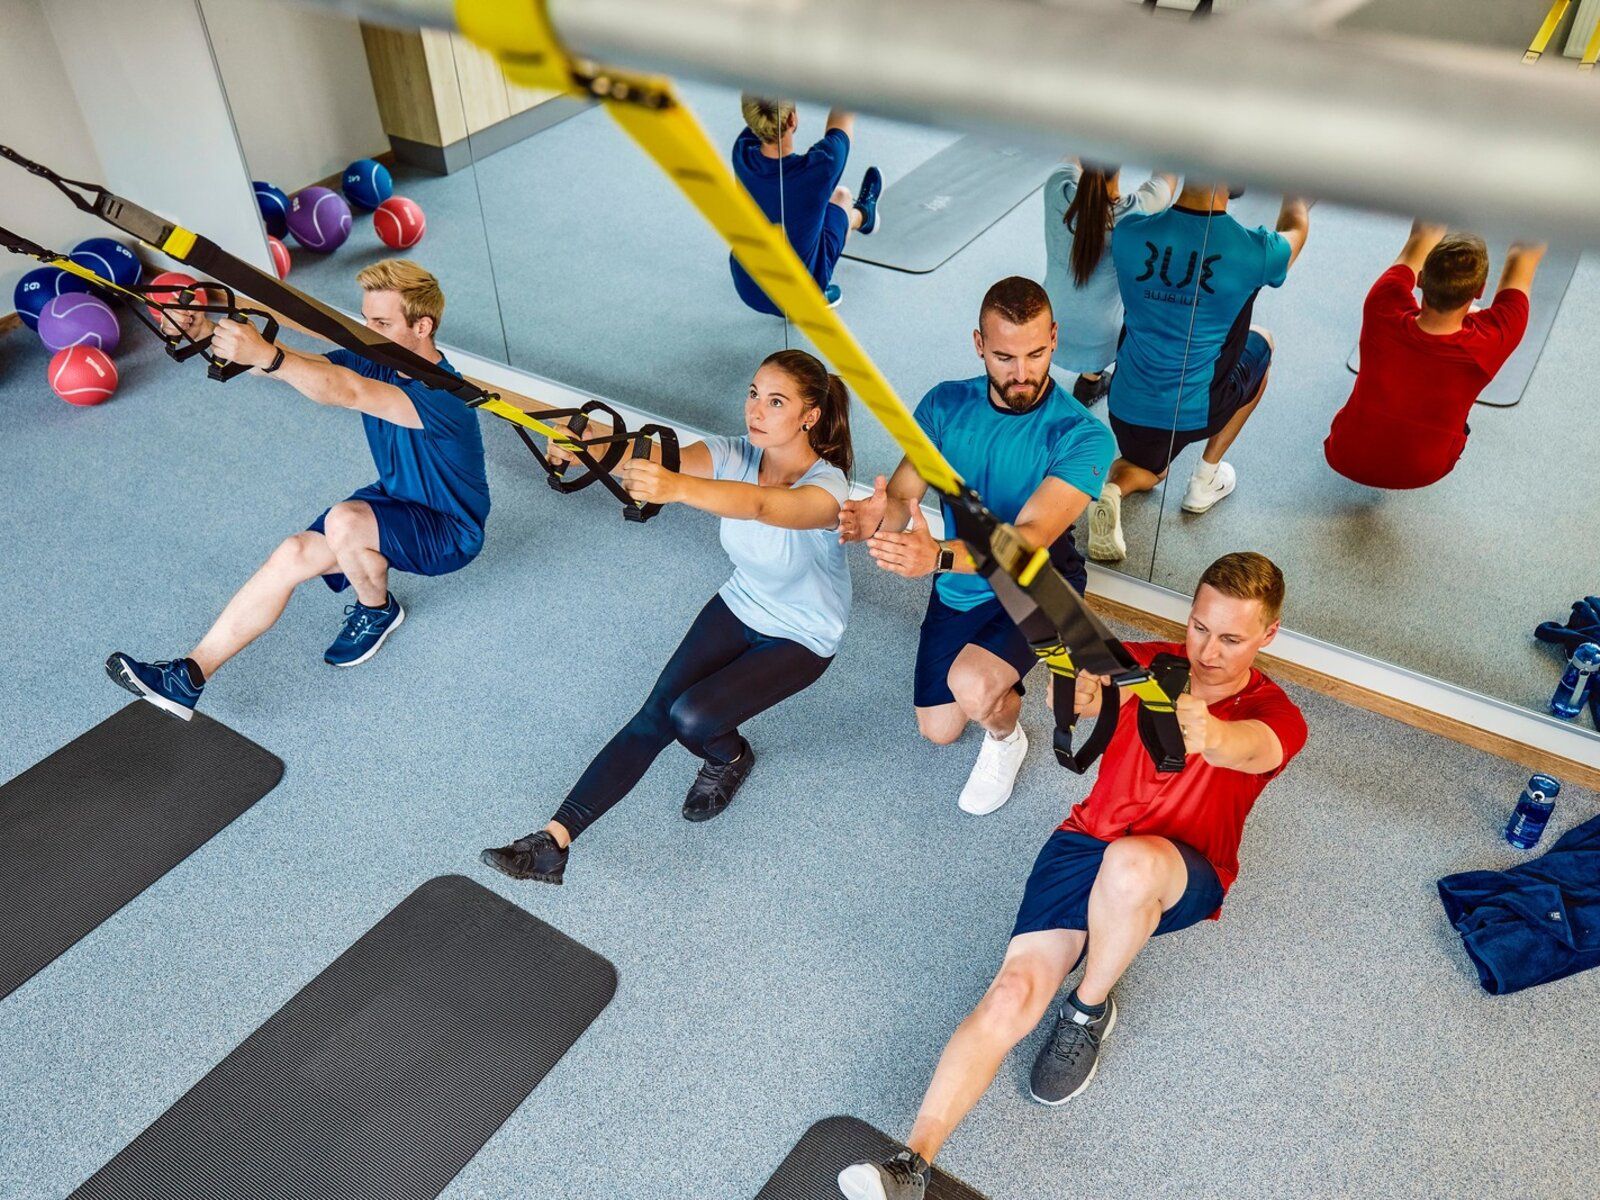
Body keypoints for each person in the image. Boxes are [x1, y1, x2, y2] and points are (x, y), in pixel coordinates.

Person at [838, 552, 1308, 1200]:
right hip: (1089, 840)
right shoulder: (1146, 663)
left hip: (1184, 869)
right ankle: (910, 1166)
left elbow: (1251, 748)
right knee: (1013, 991)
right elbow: (1091, 691)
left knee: (1132, 866)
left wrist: (1212, 734)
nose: (1207, 651)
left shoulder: (1279, 716)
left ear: (1268, 635)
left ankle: (1087, 1008)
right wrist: (1078, 693)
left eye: (1230, 638)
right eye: (1200, 627)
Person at [481, 349, 853, 884]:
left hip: (802, 634)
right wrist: (587, 449)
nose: (756, 409)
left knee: (692, 718)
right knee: (655, 714)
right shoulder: (733, 451)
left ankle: (730, 757)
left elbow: (762, 506)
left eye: (776, 402)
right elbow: (653, 457)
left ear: (809, 416)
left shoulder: (829, 488)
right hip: (742, 601)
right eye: (753, 393)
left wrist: (677, 489)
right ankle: (552, 842)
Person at [106, 260, 488, 720]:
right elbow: (305, 366)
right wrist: (210, 333)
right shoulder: (381, 357)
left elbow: (347, 391)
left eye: (382, 323)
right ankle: (188, 676)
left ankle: (376, 608)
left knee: (344, 522)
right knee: (293, 552)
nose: (369, 332)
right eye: (366, 319)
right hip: (395, 498)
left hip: (449, 530)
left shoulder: (446, 397)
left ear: (422, 327)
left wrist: (268, 356)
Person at [839, 276, 1115, 816]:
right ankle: (1000, 677)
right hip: (963, 582)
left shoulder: (1083, 435)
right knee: (938, 729)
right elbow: (902, 499)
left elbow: (1029, 542)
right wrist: (877, 517)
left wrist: (937, 556)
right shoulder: (945, 405)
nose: (1022, 373)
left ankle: (1006, 739)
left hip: (1039, 581)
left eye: (1036, 354)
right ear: (979, 345)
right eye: (1004, 357)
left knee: (973, 686)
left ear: (1054, 338)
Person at [1087, 185, 1311, 563]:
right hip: (1197, 413)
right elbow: (1297, 227)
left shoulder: (1130, 232)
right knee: (1264, 342)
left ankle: (1113, 490)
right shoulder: (1254, 251)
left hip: (1125, 407)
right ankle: (1205, 480)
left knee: (1152, 472)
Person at [1324, 223, 1545, 489]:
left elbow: (1422, 235)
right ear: (1479, 291)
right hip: (1423, 472)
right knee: (1473, 319)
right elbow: (1524, 254)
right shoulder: (1497, 336)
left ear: (1420, 279)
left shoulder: (1381, 304)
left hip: (1345, 453)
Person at [1041, 159, 1177, 406]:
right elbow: (1168, 172)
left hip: (1046, 328)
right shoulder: (1139, 212)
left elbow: (1074, 156)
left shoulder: (1056, 187)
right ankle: (1090, 383)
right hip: (1102, 343)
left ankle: (1038, 376)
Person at [729, 95, 883, 313]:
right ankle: (863, 215)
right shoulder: (823, 164)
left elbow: (762, 113)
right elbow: (845, 108)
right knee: (841, 197)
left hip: (749, 291)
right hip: (800, 296)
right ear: (792, 119)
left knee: (801, 213)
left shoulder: (741, 152)